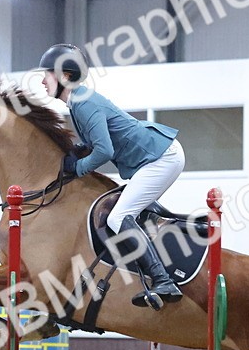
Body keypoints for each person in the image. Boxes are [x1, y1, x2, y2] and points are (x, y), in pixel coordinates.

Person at [37, 43, 184, 308]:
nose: (42, 80)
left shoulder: (83, 103)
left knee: (118, 216)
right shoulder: (78, 102)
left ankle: (163, 281)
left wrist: (79, 168)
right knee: (124, 211)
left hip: (161, 158)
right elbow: (97, 143)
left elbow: (105, 150)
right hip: (155, 156)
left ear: (64, 76)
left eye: (47, 74)